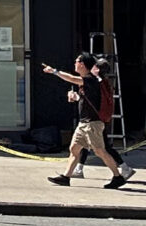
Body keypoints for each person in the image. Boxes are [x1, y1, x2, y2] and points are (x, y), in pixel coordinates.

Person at [41, 52, 128, 189]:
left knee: (100, 151)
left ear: (82, 64)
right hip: (84, 123)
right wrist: (76, 97)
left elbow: (71, 78)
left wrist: (54, 71)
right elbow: (87, 100)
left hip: (92, 124)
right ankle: (66, 177)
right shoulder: (87, 81)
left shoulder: (91, 80)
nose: (74, 63)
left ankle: (118, 177)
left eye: (76, 61)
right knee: (74, 149)